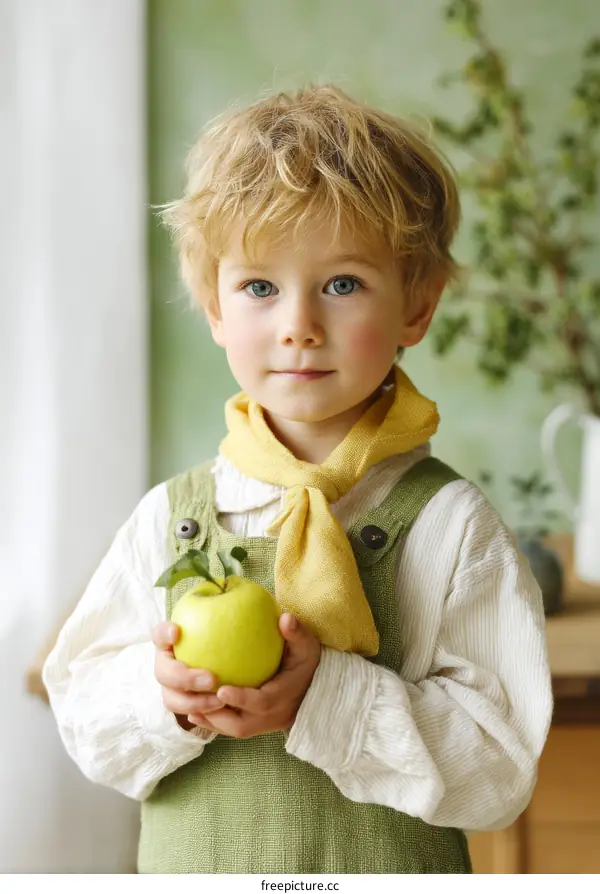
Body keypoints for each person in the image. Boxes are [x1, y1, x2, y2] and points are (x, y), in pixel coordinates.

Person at [43, 84, 553, 875]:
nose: (298, 324)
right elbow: (83, 711)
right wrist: (164, 695)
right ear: (214, 305)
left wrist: (328, 698)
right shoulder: (169, 521)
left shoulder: (451, 526)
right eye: (259, 287)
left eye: (342, 284)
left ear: (418, 306)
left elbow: (498, 769)